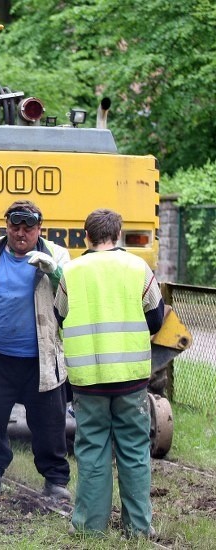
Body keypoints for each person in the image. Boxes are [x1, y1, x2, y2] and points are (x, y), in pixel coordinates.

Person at [54, 209, 164, 538]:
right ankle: (139, 529)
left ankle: (90, 527)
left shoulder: (70, 272)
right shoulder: (138, 268)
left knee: (92, 450)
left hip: (88, 381)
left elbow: (60, 315)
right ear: (118, 234)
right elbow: (156, 318)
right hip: (131, 377)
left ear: (86, 236)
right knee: (133, 449)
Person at [0, 200, 71, 499]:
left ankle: (55, 481)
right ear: (6, 226)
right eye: (14, 227)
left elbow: (72, 300)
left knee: (50, 425)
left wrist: (56, 273)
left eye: (27, 229)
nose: (20, 234)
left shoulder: (57, 255)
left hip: (41, 361)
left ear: (39, 229)